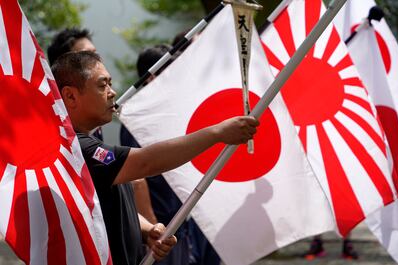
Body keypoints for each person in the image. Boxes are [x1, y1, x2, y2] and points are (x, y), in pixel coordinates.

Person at [51, 51, 259, 265]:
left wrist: (147, 230)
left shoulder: (86, 143)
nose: (112, 92)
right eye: (102, 85)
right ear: (70, 96)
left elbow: (106, 209)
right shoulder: (75, 148)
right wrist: (217, 133)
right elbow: (145, 162)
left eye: (110, 84)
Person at [120, 44, 221, 265]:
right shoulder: (137, 119)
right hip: (163, 225)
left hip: (189, 218)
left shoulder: (174, 111)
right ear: (151, 77)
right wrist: (152, 227)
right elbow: (137, 178)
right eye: (170, 71)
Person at [47, 28, 103, 140]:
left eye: (95, 54)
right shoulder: (58, 131)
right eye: (87, 56)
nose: (97, 61)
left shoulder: (94, 118)